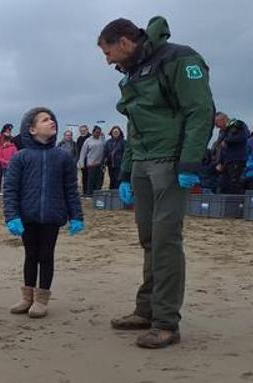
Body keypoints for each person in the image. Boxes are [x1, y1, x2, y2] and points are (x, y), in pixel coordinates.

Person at [99, 15, 214, 348]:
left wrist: (190, 161)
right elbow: (135, 125)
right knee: (149, 238)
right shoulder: (133, 72)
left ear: (124, 42)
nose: (107, 61)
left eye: (107, 53)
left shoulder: (180, 58)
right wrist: (124, 171)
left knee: (165, 239)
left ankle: (166, 322)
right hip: (143, 165)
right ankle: (146, 310)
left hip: (171, 163)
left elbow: (200, 110)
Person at [3, 108, 84, 318]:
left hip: (52, 216)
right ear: (31, 129)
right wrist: (12, 216)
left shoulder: (63, 157)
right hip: (27, 216)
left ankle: (41, 300)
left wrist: (76, 216)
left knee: (46, 255)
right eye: (45, 120)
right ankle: (26, 296)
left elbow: (71, 189)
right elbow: (10, 189)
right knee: (31, 255)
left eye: (52, 119)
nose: (51, 122)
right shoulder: (21, 158)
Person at [214, 112, 249, 194]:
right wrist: (219, 162)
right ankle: (227, 205)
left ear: (223, 119)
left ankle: (237, 204)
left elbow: (244, 137)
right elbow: (220, 148)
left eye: (217, 123)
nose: (216, 126)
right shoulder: (222, 131)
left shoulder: (238, 125)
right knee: (224, 184)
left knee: (235, 184)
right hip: (226, 161)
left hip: (236, 159)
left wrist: (227, 140)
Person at [78, 126, 106, 196]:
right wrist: (81, 163)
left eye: (99, 133)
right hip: (91, 164)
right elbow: (83, 152)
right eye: (96, 132)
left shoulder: (102, 139)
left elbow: (105, 148)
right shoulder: (88, 140)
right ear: (93, 132)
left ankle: (97, 193)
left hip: (100, 164)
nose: (98, 134)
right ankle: (89, 194)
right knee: (90, 180)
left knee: (99, 180)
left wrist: (103, 137)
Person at [0, 124, 16, 191]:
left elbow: (15, 148)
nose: (9, 130)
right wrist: (0, 156)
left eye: (10, 129)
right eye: (8, 129)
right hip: (0, 160)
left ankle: (8, 188)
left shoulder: (12, 138)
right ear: (4, 129)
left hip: (10, 161)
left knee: (8, 175)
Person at [74, 124, 91, 193]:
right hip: (82, 160)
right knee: (84, 176)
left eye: (84, 130)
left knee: (90, 177)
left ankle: (90, 191)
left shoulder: (91, 137)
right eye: (81, 131)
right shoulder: (79, 139)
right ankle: (85, 191)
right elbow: (77, 150)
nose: (83, 132)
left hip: (90, 160)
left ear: (87, 130)